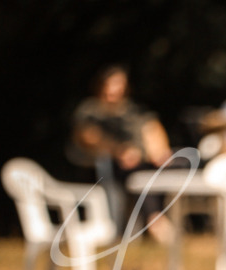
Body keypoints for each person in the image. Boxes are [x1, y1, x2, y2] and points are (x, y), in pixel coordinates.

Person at [72, 65, 176, 240]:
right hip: (110, 164)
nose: (116, 89)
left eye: (119, 84)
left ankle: (160, 218)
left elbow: (151, 126)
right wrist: (119, 151)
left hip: (143, 161)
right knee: (139, 173)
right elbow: (88, 136)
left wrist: (160, 150)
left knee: (175, 163)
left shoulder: (132, 110)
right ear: (101, 85)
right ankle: (155, 219)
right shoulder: (91, 110)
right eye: (112, 84)